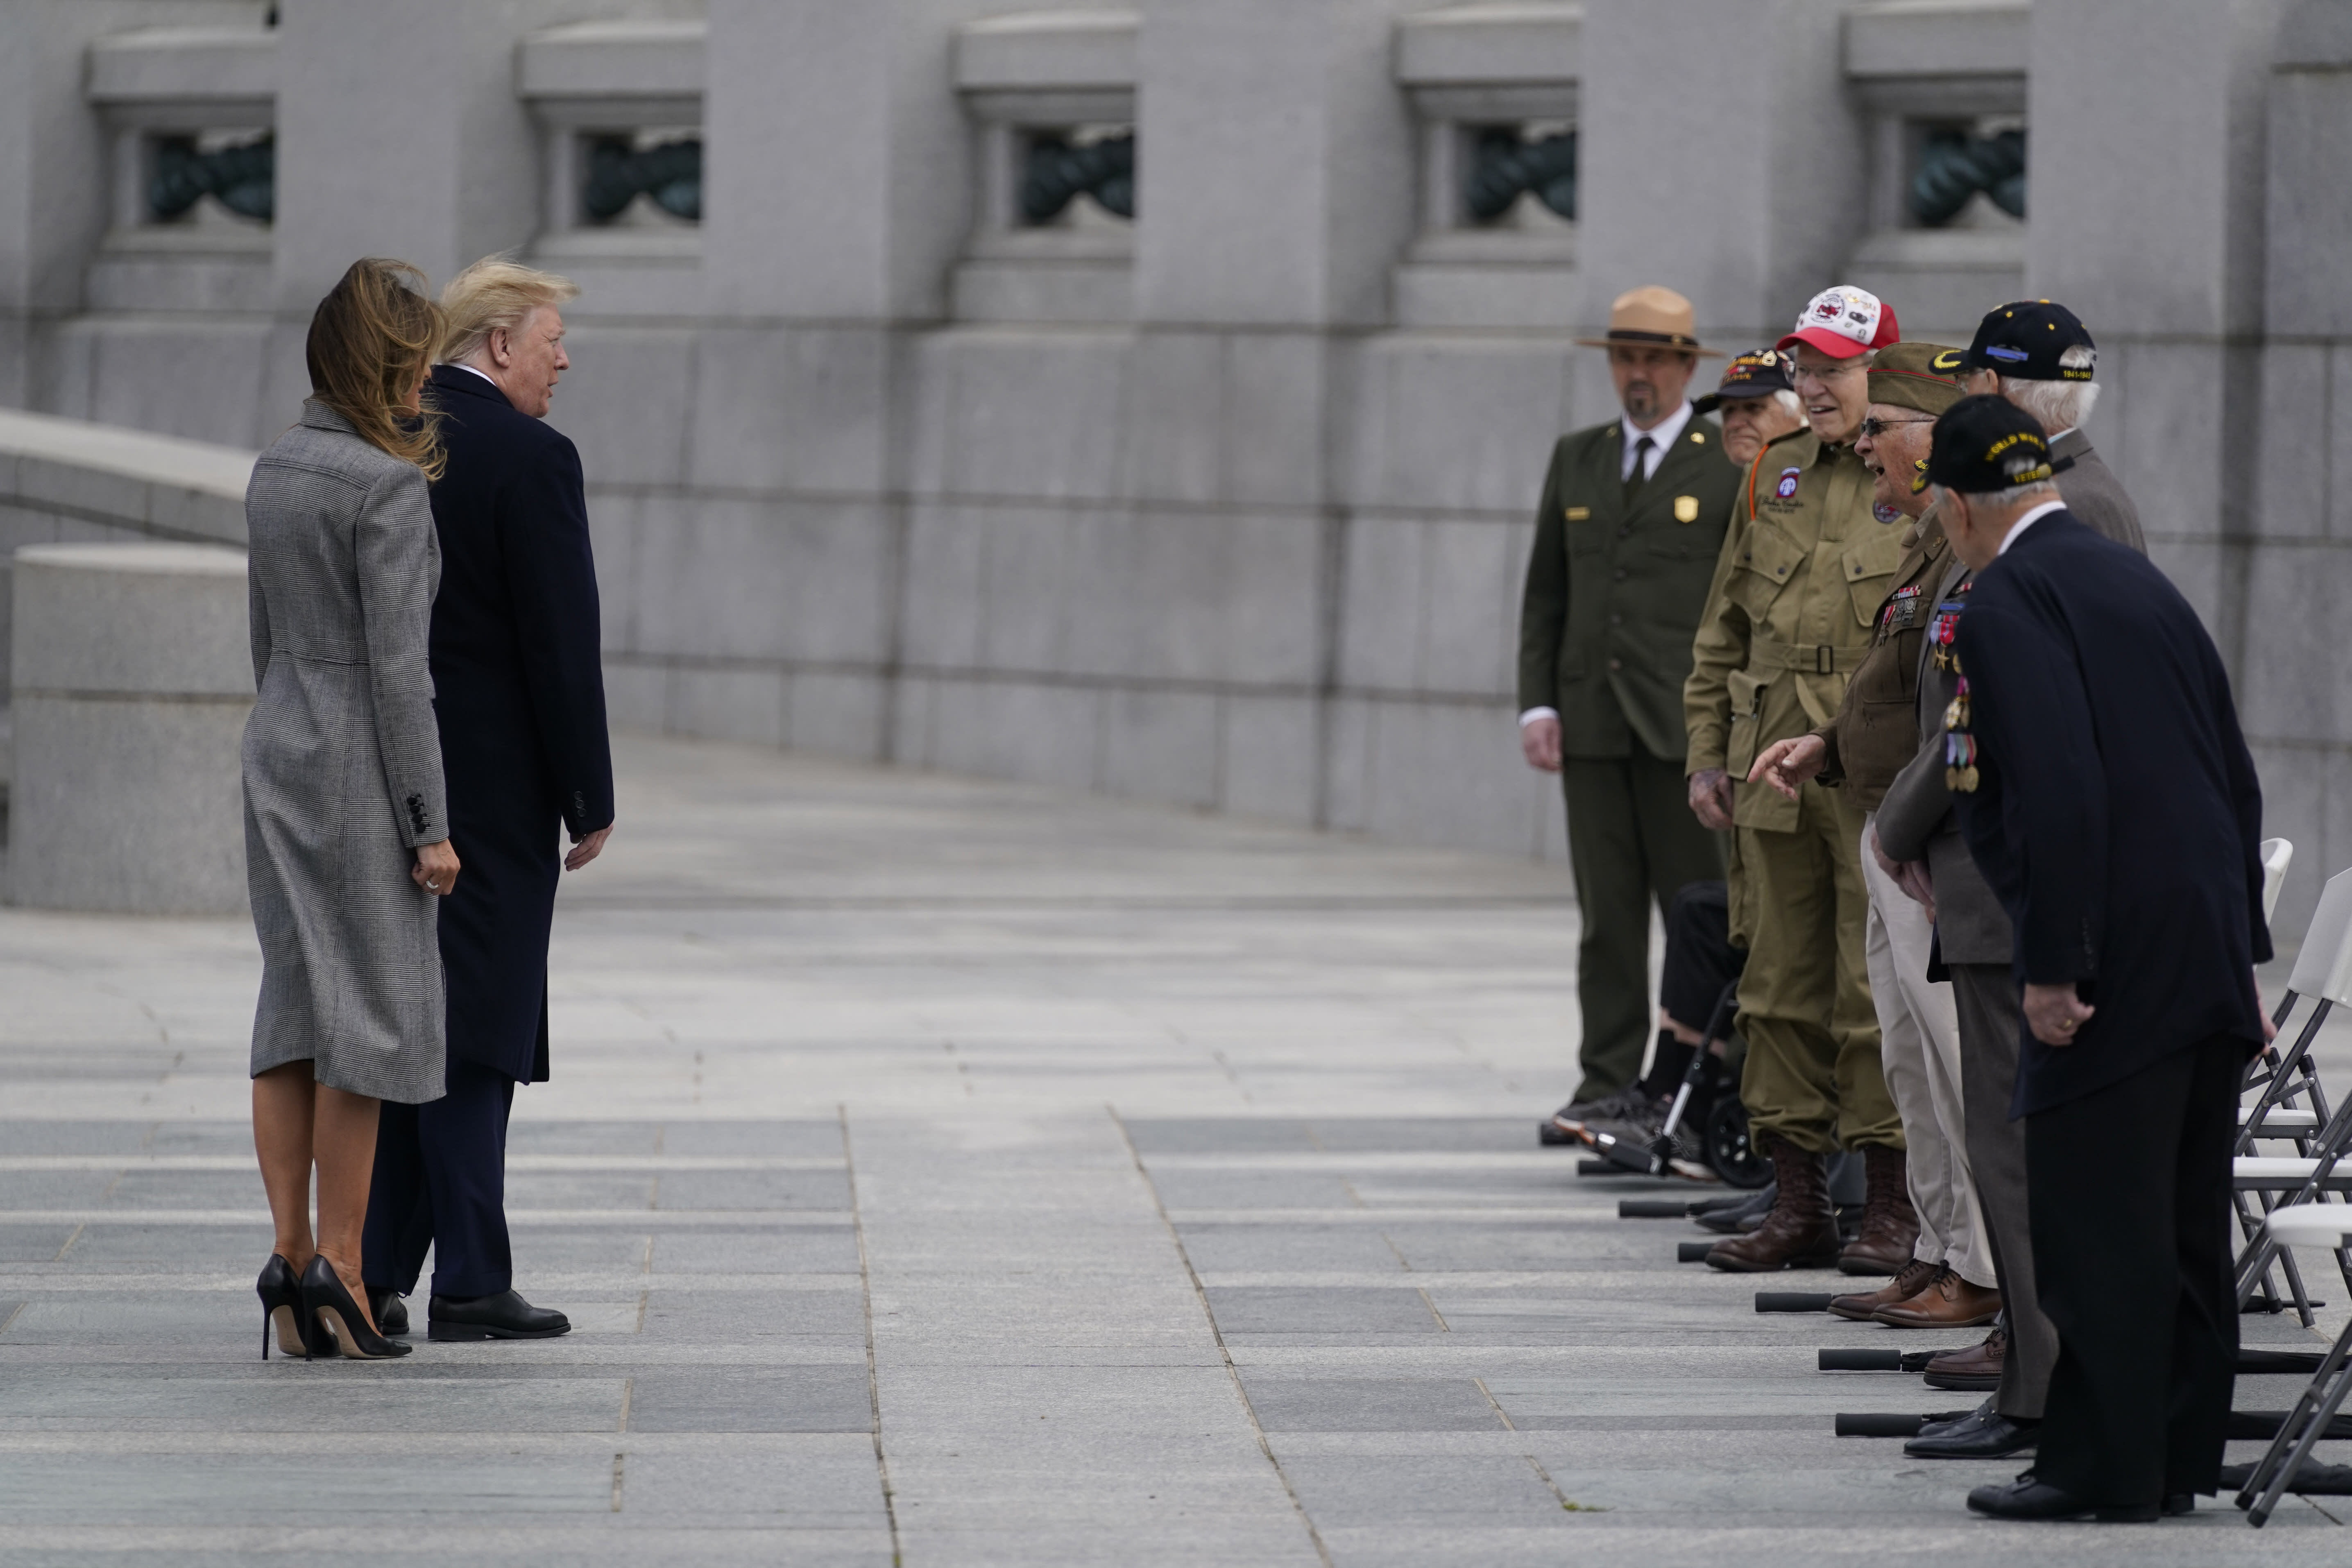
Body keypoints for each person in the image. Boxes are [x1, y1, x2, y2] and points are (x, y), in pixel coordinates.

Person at [1924, 395, 2270, 1522]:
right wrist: (2243, 961)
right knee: (2177, 1221)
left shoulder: (2006, 599)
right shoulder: (2137, 581)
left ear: (1962, 507)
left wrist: (2052, 966)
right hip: (2195, 951)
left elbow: (2058, 793)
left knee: (2093, 1222)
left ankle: (2098, 1468)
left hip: (2110, 958)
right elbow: (2228, 770)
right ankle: (2175, 1456)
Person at [1869, 330, 2154, 1457]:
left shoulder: (2061, 517)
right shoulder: (2054, 503)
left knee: (2013, 1141)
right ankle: (2031, 1374)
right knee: (1998, 1134)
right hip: (1985, 867)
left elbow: (1997, 719)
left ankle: (2039, 1384)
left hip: (2004, 880)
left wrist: (1898, 826)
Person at [362, 258, 615, 1343]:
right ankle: (466, 1277)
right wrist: (586, 793)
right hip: (494, 794)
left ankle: (374, 1268)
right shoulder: (531, 456)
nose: (564, 360)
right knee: (477, 1028)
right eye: (551, 340)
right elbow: (560, 645)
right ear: (499, 344)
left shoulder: (386, 444)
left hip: (381, 775)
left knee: (429, 1016)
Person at [1747, 342, 1994, 1326]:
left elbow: (1962, 710)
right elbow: (1895, 688)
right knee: (1913, 1061)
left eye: (1882, 435)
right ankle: (1937, 1250)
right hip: (1889, 816)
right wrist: (1826, 743)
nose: (1869, 455)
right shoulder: (1928, 540)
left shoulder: (1965, 545)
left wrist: (1901, 819)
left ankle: (1975, 1265)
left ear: (1926, 440)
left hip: (1930, 838)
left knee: (1946, 1061)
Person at [244, 258, 459, 1362]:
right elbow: (398, 673)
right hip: (359, 776)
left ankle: (287, 1262)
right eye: (418, 363)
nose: (428, 381)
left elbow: (264, 646)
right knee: (366, 1022)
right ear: (387, 366)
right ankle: (346, 1264)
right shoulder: (387, 487)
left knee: (290, 1005)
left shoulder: (275, 471)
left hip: (276, 754)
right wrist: (430, 822)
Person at [1684, 284, 1912, 1274]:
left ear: (1882, 374)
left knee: (1873, 988)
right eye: (1804, 368)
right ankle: (1795, 1201)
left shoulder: (1913, 472)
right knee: (1776, 983)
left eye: (1832, 368)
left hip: (1867, 767)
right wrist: (1706, 750)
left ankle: (1893, 1208)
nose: (1810, 385)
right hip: (1767, 759)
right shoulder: (1771, 473)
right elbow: (1722, 625)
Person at [1518, 286, 1741, 1144]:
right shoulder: (1579, 457)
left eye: (1653, 358)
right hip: (1593, 724)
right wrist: (1539, 703)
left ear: (1688, 366)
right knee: (1605, 919)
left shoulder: (1725, 461)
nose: (1636, 373)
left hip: (1683, 730)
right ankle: (1607, 1078)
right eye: (1624, 357)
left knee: (1701, 911)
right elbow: (1548, 594)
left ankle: (1699, 1086)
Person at [1957, 301, 2142, 551]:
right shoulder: (2079, 486)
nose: (1964, 397)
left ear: (1992, 386)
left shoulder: (2047, 503)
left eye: (1967, 382)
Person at [1693, 349, 1806, 469]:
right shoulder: (1712, 477)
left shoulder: (1821, 481)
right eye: (1729, 411)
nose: (1734, 424)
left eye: (1754, 408)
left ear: (1801, 412)